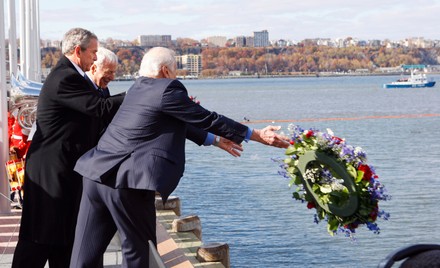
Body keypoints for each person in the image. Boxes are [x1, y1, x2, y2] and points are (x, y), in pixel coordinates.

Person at [70, 47, 290, 267]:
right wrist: (256, 135)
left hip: (95, 175)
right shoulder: (167, 88)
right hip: (127, 183)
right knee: (139, 252)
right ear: (166, 71)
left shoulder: (137, 88)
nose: (176, 76)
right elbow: (207, 118)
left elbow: (176, 121)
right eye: (175, 71)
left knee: (85, 253)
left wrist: (214, 140)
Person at [12, 28, 125, 268]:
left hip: (62, 169)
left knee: (63, 238)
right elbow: (100, 108)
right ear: (78, 51)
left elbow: (95, 119)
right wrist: (140, 92)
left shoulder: (74, 77)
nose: (95, 58)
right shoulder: (65, 77)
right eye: (93, 52)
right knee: (39, 239)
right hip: (52, 171)